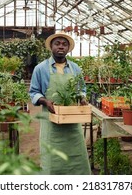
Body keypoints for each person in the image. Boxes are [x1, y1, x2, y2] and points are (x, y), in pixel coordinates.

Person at [29, 31, 91, 175]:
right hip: (51, 121)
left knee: (77, 157)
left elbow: (81, 88)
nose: (61, 47)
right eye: (57, 43)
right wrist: (45, 101)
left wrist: (82, 97)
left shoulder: (75, 68)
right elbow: (34, 92)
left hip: (72, 120)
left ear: (68, 48)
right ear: (51, 46)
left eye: (64, 44)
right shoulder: (41, 68)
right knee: (52, 158)